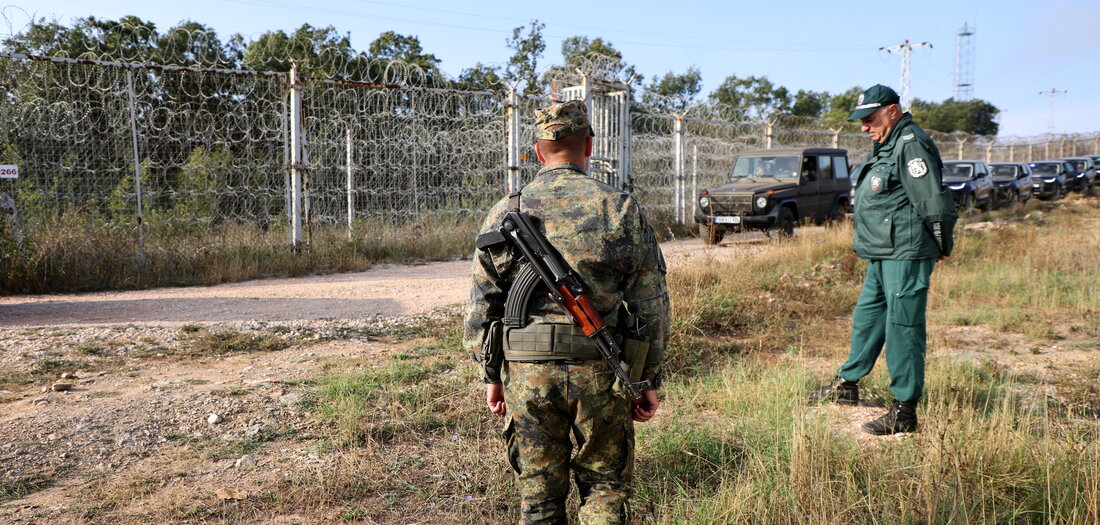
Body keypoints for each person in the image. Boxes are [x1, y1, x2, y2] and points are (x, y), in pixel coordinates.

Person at [463, 99, 670, 524]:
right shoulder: (620, 207)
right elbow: (652, 305)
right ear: (589, 145)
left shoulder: (507, 210)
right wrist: (647, 378)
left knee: (538, 498)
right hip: (601, 371)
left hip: (526, 373)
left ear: (538, 151)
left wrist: (491, 376)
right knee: (605, 488)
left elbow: (482, 306)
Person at [811, 85, 957, 435]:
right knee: (868, 317)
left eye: (870, 118)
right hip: (882, 252)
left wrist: (940, 244)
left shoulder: (910, 144)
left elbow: (933, 202)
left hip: (905, 252)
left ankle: (904, 411)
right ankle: (848, 384)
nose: (864, 126)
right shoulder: (887, 144)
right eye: (861, 120)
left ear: (892, 111)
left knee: (902, 327)